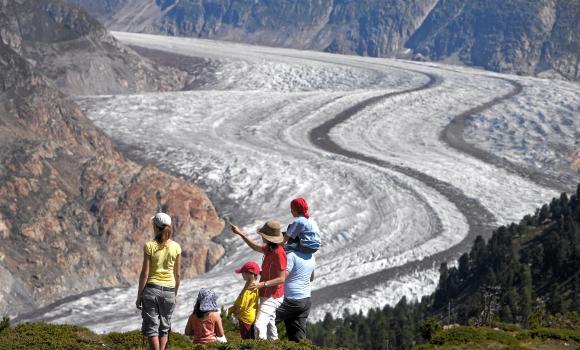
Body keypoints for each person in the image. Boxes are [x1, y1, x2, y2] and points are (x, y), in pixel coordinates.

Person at [230, 220, 287, 340]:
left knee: (259, 325)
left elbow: (282, 278)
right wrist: (240, 234)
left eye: (263, 236)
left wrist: (262, 284)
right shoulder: (270, 249)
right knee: (270, 324)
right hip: (266, 292)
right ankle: (275, 347)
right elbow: (255, 246)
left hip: (273, 295)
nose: (262, 238)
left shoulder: (279, 253)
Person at [136, 212, 181, 350]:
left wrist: (139, 296)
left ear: (155, 227)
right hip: (169, 290)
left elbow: (145, 273)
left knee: (152, 329)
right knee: (164, 328)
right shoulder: (176, 247)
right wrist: (175, 294)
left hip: (151, 290)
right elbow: (177, 274)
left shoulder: (149, 246)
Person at [276, 249, 316, 342]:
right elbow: (311, 278)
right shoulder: (311, 256)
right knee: (298, 337)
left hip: (291, 300)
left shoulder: (291, 256)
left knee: (265, 319)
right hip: (305, 300)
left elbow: (281, 278)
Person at [228, 261, 260, 339]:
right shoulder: (256, 286)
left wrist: (234, 312)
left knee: (246, 339)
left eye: (243, 272)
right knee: (252, 338)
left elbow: (240, 308)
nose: (242, 274)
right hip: (252, 316)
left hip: (245, 319)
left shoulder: (247, 291)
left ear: (249, 273)